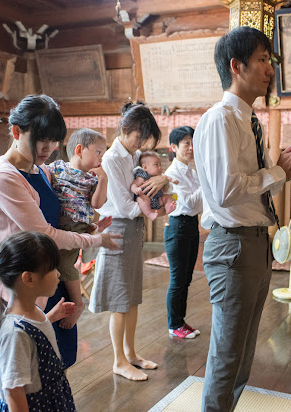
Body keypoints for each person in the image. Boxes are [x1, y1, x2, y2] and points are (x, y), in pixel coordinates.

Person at [194, 26, 291, 411]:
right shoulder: (221, 119)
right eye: (263, 60)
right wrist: (279, 170)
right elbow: (224, 191)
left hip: (254, 243)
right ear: (237, 66)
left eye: (270, 61)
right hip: (233, 245)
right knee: (227, 352)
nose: (270, 70)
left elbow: (263, 188)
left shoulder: (251, 121)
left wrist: (285, 169)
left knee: (243, 351)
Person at [0, 94, 120, 369]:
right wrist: (95, 239)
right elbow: (45, 232)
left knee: (58, 362)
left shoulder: (42, 172)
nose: (50, 148)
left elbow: (60, 219)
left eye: (55, 140)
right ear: (16, 131)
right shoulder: (3, 176)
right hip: (23, 286)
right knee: (26, 372)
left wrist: (90, 226)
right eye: (42, 139)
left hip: (49, 276)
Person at [90, 101, 166, 381]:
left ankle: (131, 354)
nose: (140, 144)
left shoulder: (131, 155)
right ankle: (119, 361)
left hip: (133, 228)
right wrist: (148, 209)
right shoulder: (112, 158)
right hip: (119, 228)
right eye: (139, 137)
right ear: (125, 129)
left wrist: (145, 205)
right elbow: (122, 206)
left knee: (132, 297)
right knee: (120, 300)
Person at [0, 231, 75, 411]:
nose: (58, 274)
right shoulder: (15, 333)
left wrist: (51, 317)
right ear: (28, 278)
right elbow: (14, 391)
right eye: (53, 269)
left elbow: (36, 332)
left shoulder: (32, 312)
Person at [48, 128, 109, 330]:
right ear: (80, 150)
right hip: (56, 226)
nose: (102, 157)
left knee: (65, 265)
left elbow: (98, 203)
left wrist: (103, 179)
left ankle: (79, 303)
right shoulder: (57, 168)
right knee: (51, 263)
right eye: (99, 152)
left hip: (77, 227)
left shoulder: (92, 179)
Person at [164, 126, 202, 339]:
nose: (191, 147)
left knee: (187, 278)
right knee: (178, 279)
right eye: (186, 143)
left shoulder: (192, 170)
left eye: (192, 142)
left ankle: (180, 321)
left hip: (191, 225)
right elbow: (186, 203)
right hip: (177, 226)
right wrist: (206, 184)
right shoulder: (172, 173)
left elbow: (197, 203)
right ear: (174, 147)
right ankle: (174, 324)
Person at [131, 151, 177, 221]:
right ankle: (150, 213)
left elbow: (168, 179)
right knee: (141, 199)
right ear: (145, 167)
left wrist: (172, 180)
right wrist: (135, 189)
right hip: (147, 200)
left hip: (158, 200)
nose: (160, 167)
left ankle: (168, 208)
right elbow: (134, 184)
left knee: (167, 197)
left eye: (160, 165)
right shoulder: (143, 175)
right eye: (156, 165)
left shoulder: (161, 176)